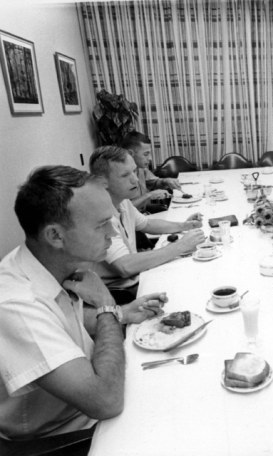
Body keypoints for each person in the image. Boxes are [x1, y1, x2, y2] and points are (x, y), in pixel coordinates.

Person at [0, 166, 166, 441]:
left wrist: (121, 313)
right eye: (101, 224)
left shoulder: (54, 266)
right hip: (64, 435)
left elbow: (58, 324)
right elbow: (106, 401)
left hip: (88, 407)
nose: (113, 233)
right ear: (55, 236)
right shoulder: (16, 305)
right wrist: (106, 307)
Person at [89, 146, 206, 299]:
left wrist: (184, 226)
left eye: (134, 171)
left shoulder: (122, 201)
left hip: (135, 278)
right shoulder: (98, 213)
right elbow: (125, 266)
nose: (135, 179)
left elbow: (147, 224)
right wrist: (181, 246)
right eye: (125, 175)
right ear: (102, 182)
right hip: (120, 292)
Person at [119, 131, 180, 213]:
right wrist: (149, 196)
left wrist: (165, 181)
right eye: (146, 154)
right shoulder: (119, 176)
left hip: (145, 215)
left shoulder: (141, 169)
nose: (150, 158)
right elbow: (121, 210)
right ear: (130, 153)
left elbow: (153, 182)